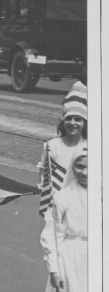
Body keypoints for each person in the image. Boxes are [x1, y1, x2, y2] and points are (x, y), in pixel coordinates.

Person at [38, 148, 88, 292]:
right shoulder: (63, 197)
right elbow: (51, 233)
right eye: (79, 166)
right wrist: (54, 269)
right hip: (72, 259)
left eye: (88, 167)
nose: (84, 172)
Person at [38, 82, 88, 217]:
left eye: (78, 119)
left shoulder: (88, 147)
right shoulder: (52, 146)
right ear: (63, 121)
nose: (72, 123)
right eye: (68, 119)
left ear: (85, 123)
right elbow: (44, 170)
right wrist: (42, 184)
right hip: (55, 203)